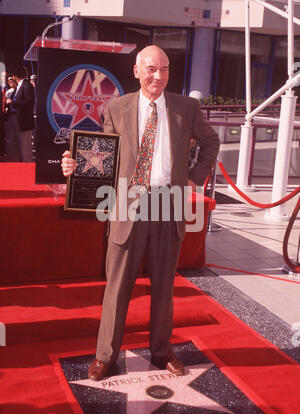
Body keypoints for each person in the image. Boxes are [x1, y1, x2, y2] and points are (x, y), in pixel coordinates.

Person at [61, 45, 220, 381]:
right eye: (151, 69)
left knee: (164, 285)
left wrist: (194, 179)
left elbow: (211, 142)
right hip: (129, 203)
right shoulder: (116, 108)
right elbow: (101, 156)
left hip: (168, 202)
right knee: (117, 287)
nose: (158, 76)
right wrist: (75, 165)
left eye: (163, 69)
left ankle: (162, 352)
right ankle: (106, 356)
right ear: (136, 71)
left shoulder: (186, 108)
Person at [6, 65, 34, 162]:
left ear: (14, 76)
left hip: (24, 122)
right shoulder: (21, 86)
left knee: (25, 148)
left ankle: (26, 168)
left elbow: (29, 101)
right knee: (18, 146)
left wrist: (12, 102)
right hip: (17, 121)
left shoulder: (26, 85)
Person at [4, 75, 20, 162]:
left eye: (11, 80)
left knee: (18, 137)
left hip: (18, 116)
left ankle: (17, 157)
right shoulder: (8, 92)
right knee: (10, 137)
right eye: (8, 80)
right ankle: (10, 156)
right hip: (10, 116)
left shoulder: (19, 90)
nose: (9, 81)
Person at [0, 70, 8, 160]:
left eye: (6, 76)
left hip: (9, 116)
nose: (4, 78)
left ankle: (5, 153)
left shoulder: (12, 87)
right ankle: (1, 153)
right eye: (3, 76)